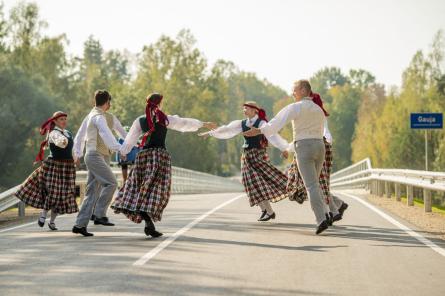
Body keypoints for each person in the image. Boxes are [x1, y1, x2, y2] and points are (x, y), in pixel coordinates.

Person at [111, 93, 216, 237]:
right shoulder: (164, 118)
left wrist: (120, 150)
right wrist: (202, 124)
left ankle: (148, 222)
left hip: (144, 156)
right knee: (158, 190)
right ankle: (148, 221)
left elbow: (129, 142)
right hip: (159, 157)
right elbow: (183, 123)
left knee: (140, 187)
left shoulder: (140, 121)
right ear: (159, 104)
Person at [244, 80, 331, 234]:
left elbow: (276, 123)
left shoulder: (295, 107)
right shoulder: (318, 109)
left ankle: (321, 219)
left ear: (304, 90)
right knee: (315, 184)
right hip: (320, 146)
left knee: (310, 186)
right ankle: (326, 213)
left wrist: (259, 131)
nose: (292, 93)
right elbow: (324, 130)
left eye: (294, 90)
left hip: (304, 147)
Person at [200, 101, 290, 221]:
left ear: (255, 110)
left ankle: (270, 210)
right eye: (243, 108)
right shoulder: (242, 123)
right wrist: (210, 133)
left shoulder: (262, 123)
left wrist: (283, 148)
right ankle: (265, 210)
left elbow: (272, 135)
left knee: (258, 183)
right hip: (246, 156)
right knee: (250, 183)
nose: (244, 110)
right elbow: (227, 130)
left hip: (258, 156)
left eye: (246, 108)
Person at [72, 90, 126, 236]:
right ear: (107, 102)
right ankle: (99, 213)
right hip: (95, 155)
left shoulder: (94, 115)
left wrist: (77, 153)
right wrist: (120, 148)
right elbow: (105, 134)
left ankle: (80, 224)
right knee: (112, 183)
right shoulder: (98, 117)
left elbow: (80, 135)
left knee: (91, 191)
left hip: (96, 156)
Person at [287, 93, 348, 222]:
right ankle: (336, 206)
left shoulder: (316, 115)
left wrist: (288, 148)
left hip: (317, 146)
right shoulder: (318, 113)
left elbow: (323, 134)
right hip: (321, 147)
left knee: (316, 183)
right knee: (318, 183)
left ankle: (331, 211)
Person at [15, 111, 78, 231]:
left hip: (67, 167)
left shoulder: (68, 133)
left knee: (62, 196)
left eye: (65, 119)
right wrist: (63, 142)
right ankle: (44, 213)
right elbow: (60, 142)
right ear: (54, 121)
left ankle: (52, 222)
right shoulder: (53, 133)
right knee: (54, 192)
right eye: (61, 119)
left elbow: (71, 149)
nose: (64, 121)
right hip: (54, 165)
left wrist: (75, 158)